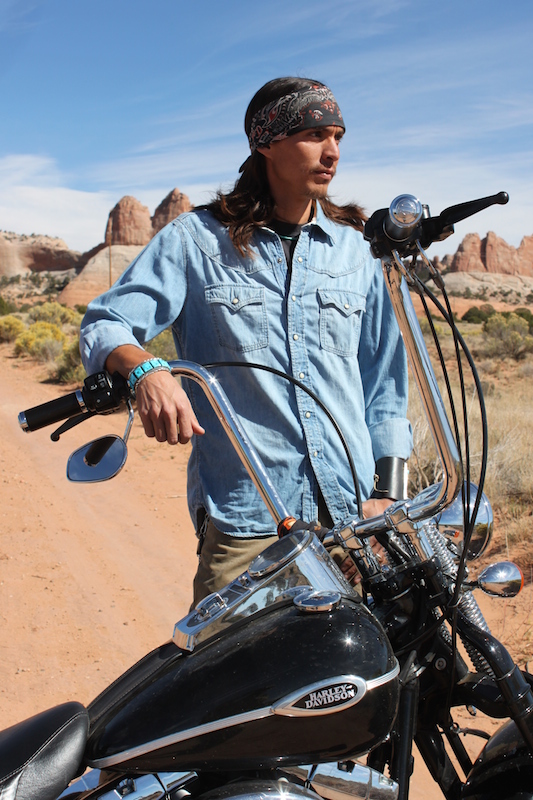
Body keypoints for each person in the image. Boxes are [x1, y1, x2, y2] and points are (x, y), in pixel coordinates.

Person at [80, 77, 412, 605]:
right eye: (315, 135)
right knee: (235, 681)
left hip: (353, 521)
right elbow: (107, 320)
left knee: (371, 680)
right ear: (266, 143)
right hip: (249, 526)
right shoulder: (196, 241)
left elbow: (385, 385)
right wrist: (146, 368)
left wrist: (389, 493)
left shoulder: (356, 253)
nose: (332, 153)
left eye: (339, 137)